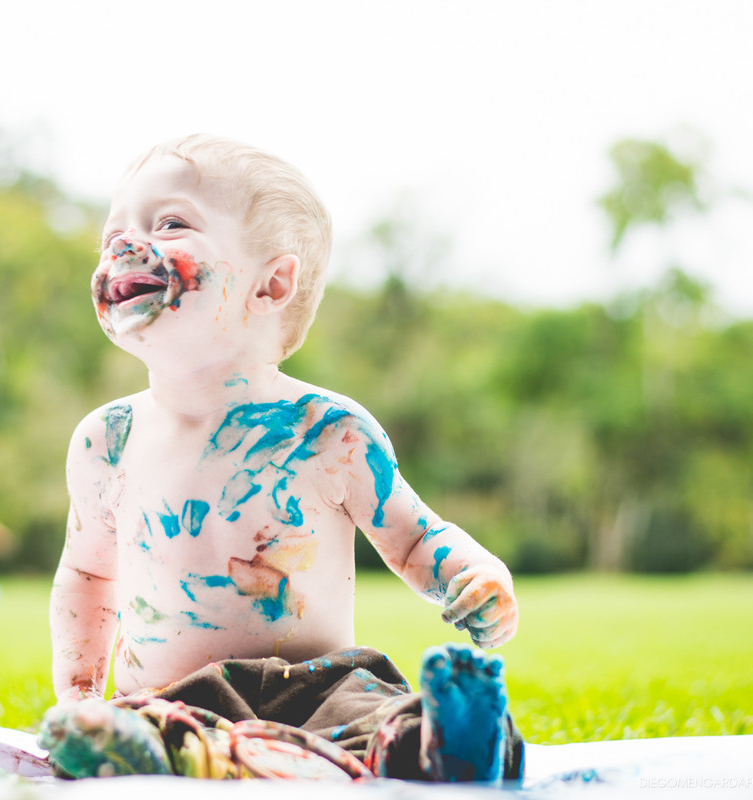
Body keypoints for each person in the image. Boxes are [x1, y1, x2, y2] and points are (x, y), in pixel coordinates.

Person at [41, 134, 523, 784]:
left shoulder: (331, 433)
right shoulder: (106, 444)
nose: (126, 245)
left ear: (272, 282)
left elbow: (415, 539)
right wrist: (79, 697)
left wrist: (475, 577)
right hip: (173, 697)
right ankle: (144, 750)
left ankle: (446, 739)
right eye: (112, 235)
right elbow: (88, 580)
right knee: (154, 731)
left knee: (376, 720)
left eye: (171, 223)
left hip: (320, 690)